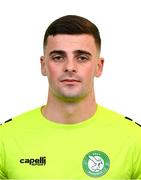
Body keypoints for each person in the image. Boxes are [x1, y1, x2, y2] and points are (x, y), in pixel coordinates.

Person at [0, 15, 141, 179]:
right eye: (58, 57)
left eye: (82, 58)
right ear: (43, 65)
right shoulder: (5, 139)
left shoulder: (134, 140)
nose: (70, 67)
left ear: (99, 66)